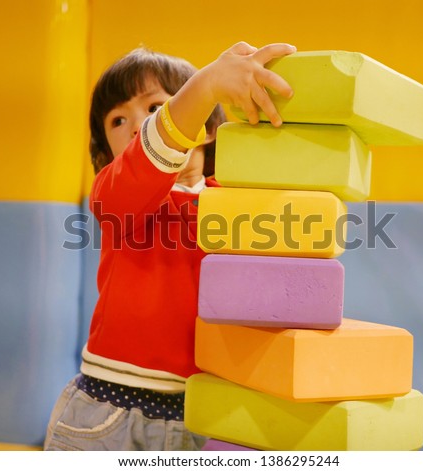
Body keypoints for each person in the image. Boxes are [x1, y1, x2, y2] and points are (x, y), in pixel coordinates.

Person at [44, 41, 296, 451]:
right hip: (112, 411)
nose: (137, 126)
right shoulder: (113, 195)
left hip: (208, 414)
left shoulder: (236, 202)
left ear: (210, 128)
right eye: (117, 120)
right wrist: (207, 83)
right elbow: (148, 158)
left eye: (155, 107)